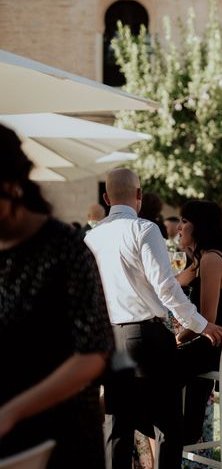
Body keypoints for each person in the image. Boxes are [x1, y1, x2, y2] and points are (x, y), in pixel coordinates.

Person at [84, 168, 222, 469]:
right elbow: (166, 288)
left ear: (106, 197)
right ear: (139, 195)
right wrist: (200, 325)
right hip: (147, 336)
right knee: (167, 426)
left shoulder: (90, 237)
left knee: (117, 427)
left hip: (110, 338)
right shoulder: (145, 230)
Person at [0, 124, 114, 468]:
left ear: (10, 186)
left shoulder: (64, 248)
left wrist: (11, 411)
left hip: (60, 434)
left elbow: (94, 352)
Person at [174, 200, 222, 446]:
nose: (178, 227)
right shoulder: (203, 260)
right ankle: (183, 434)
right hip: (213, 346)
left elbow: (206, 320)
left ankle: (173, 435)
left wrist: (177, 339)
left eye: (184, 221)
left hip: (216, 346)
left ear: (200, 226)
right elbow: (171, 286)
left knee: (156, 368)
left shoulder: (212, 260)